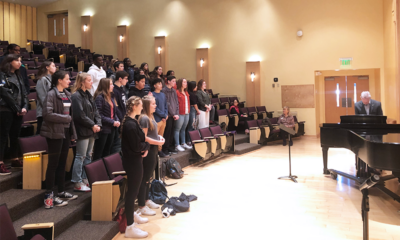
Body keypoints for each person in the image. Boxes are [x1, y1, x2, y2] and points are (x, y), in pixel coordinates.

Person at [41, 70, 78, 208]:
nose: (70, 81)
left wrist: (73, 133)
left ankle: (61, 191)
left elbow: (71, 118)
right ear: (60, 80)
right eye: (67, 79)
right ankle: (49, 196)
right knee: (53, 164)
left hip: (65, 132)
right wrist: (65, 119)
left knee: (63, 163)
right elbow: (47, 114)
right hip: (54, 133)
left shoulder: (67, 94)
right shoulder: (51, 94)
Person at [120, 96, 150, 238]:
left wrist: (146, 146)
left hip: (134, 159)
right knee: (132, 193)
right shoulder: (130, 125)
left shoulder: (132, 122)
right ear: (133, 107)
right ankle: (130, 228)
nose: (142, 107)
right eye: (140, 105)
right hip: (132, 161)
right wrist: (146, 146)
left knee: (134, 191)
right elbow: (137, 145)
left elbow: (140, 142)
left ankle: (131, 216)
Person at [71, 73, 101, 192]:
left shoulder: (89, 95)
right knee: (81, 156)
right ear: (82, 82)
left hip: (91, 129)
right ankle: (77, 182)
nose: (91, 82)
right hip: (83, 130)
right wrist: (92, 125)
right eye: (89, 80)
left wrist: (98, 124)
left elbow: (96, 112)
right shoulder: (76, 96)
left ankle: (84, 178)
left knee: (88, 155)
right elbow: (80, 115)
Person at [137, 96, 165, 216]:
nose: (155, 105)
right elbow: (144, 137)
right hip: (148, 151)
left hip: (153, 150)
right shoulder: (144, 118)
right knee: (144, 178)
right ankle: (142, 205)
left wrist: (158, 137)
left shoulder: (151, 117)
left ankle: (147, 199)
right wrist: (158, 142)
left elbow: (151, 134)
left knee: (148, 177)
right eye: (153, 104)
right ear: (148, 105)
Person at [0, 54, 28, 175]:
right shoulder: (2, 74)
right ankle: (0, 163)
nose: (19, 62)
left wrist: (24, 107)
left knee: (15, 135)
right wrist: (17, 108)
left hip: (17, 109)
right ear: (9, 62)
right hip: (5, 109)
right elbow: (4, 93)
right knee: (3, 136)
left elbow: (24, 94)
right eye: (17, 60)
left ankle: (14, 159)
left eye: (20, 60)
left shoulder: (18, 75)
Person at [93, 78, 120, 161]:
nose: (113, 86)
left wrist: (117, 120)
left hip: (111, 128)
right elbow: (98, 115)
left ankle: (105, 171)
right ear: (105, 86)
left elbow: (114, 113)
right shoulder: (99, 98)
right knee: (99, 152)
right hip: (103, 129)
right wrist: (112, 122)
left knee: (108, 151)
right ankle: (96, 171)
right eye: (111, 84)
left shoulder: (111, 97)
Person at [111, 71, 129, 154]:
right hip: (119, 120)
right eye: (126, 78)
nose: (127, 80)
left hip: (123, 118)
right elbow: (116, 107)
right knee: (117, 144)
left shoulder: (122, 89)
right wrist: (122, 119)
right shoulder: (114, 90)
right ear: (120, 79)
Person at [36, 61, 57, 134]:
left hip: (51, 111)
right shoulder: (42, 79)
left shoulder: (53, 80)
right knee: (41, 134)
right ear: (47, 67)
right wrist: (50, 109)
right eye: (53, 66)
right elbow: (43, 98)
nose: (55, 67)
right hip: (44, 112)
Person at [162, 76, 179, 155]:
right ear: (168, 81)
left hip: (174, 115)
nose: (174, 83)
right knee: (167, 132)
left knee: (172, 131)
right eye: (173, 81)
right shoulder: (164, 90)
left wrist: (177, 113)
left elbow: (176, 103)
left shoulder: (174, 91)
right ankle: (165, 148)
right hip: (168, 115)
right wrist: (173, 113)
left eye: (175, 81)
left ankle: (171, 147)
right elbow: (167, 104)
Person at [152, 78, 169, 157]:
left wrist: (165, 115)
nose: (161, 85)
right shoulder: (153, 95)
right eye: (158, 84)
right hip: (156, 119)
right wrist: (163, 115)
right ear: (154, 85)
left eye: (161, 84)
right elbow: (155, 109)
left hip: (163, 119)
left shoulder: (163, 94)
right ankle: (155, 151)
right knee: (155, 135)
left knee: (161, 135)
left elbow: (166, 105)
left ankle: (160, 150)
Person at [174, 78, 192, 151]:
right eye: (184, 82)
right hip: (180, 113)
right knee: (177, 129)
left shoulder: (186, 92)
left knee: (184, 129)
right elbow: (176, 103)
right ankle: (177, 144)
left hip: (187, 112)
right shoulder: (177, 92)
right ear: (180, 83)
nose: (186, 83)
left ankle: (183, 143)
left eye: (186, 82)